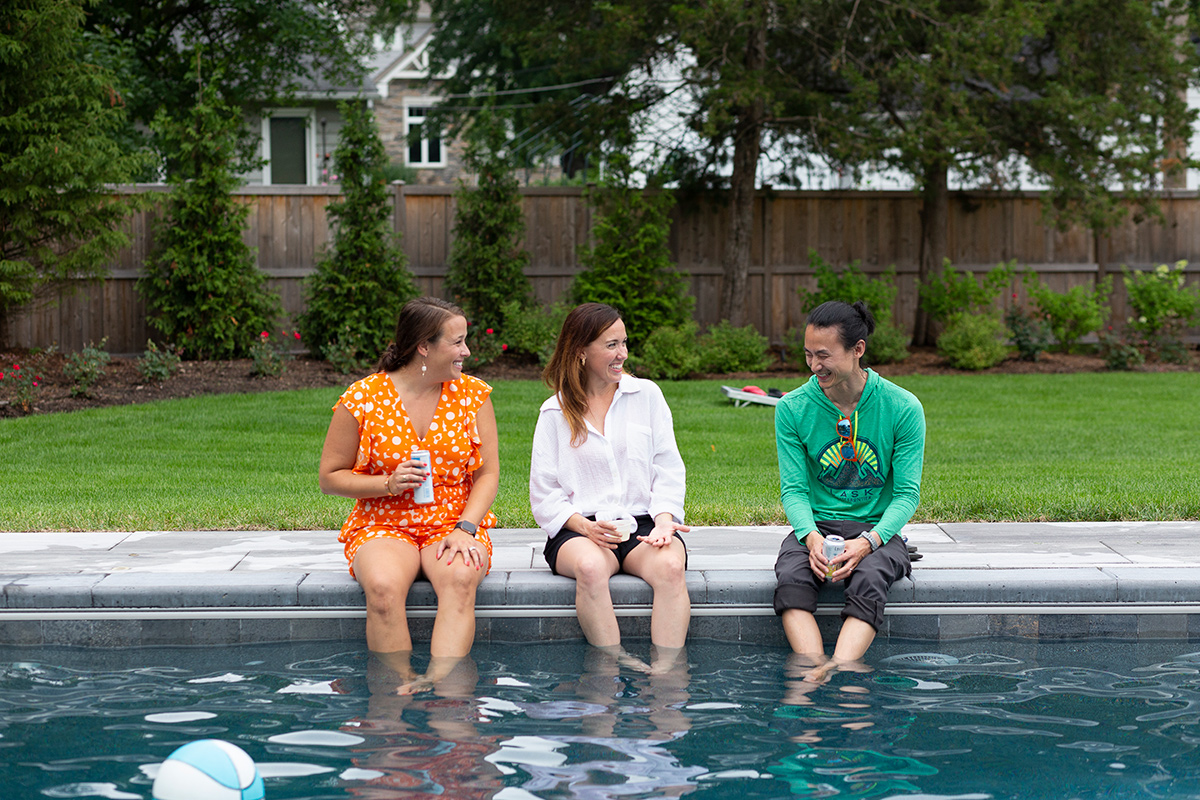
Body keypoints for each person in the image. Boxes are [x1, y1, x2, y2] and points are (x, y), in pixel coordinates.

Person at [319, 297, 498, 681]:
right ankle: (398, 690)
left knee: (461, 578)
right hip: (383, 522)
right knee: (382, 589)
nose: (466, 351)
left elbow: (487, 475)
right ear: (423, 346)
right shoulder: (362, 399)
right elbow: (330, 477)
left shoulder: (472, 396)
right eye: (457, 342)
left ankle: (445, 689)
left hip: (452, 521)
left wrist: (465, 528)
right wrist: (387, 483)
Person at [773, 300, 925, 676]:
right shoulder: (792, 408)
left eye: (824, 355)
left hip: (876, 530)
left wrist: (870, 542)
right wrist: (808, 537)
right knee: (791, 578)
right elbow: (793, 490)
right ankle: (813, 671)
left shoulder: (902, 407)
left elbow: (907, 495)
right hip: (817, 526)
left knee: (871, 576)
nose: (813, 366)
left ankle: (838, 670)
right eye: (807, 355)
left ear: (858, 350)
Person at [530, 302, 691, 657]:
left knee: (670, 567)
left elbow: (667, 466)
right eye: (611, 345)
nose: (623, 354)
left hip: (644, 522)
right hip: (579, 529)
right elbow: (544, 494)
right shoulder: (554, 412)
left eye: (624, 343)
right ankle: (611, 674)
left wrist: (665, 521)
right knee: (590, 568)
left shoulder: (647, 395)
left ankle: (665, 680)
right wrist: (586, 529)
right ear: (581, 352)